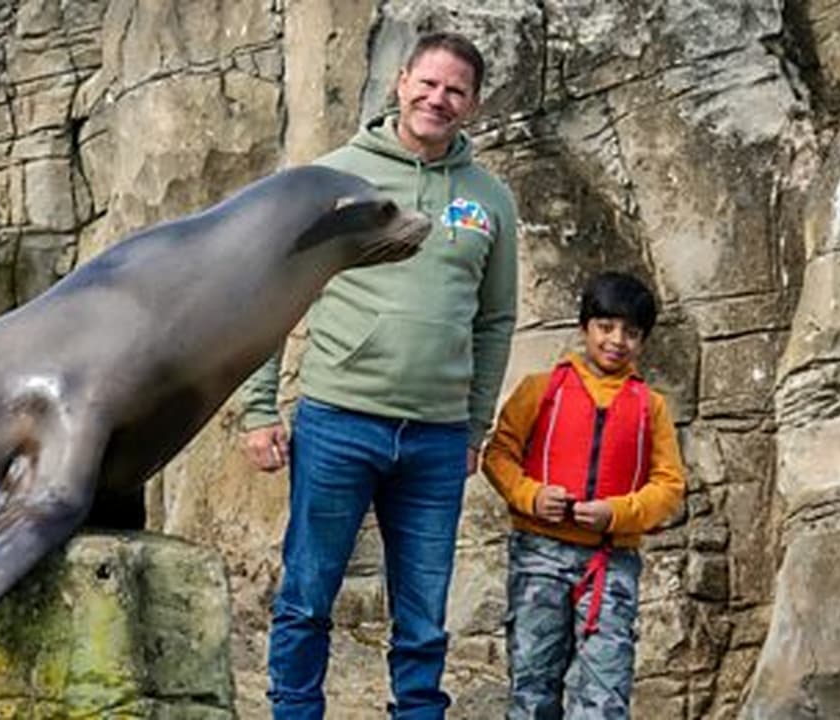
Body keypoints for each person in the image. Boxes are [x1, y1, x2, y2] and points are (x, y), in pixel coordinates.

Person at [238, 32, 518, 719]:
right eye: (428, 83)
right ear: (400, 83)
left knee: (424, 616)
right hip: (338, 419)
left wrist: (477, 423)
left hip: (437, 438)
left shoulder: (490, 200)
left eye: (455, 90)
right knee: (307, 596)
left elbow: (496, 320)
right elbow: (275, 294)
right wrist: (258, 407)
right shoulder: (335, 180)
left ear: (474, 104)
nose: (438, 99)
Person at [482, 271, 686, 719]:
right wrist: (531, 496)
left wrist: (616, 513)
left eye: (632, 333)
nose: (617, 341)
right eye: (606, 327)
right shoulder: (541, 389)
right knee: (533, 686)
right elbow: (498, 456)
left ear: (644, 341)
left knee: (605, 692)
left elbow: (669, 486)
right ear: (585, 327)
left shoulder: (651, 406)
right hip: (539, 557)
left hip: (610, 565)